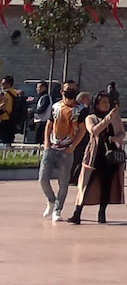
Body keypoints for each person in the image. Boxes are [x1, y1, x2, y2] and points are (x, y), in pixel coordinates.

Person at [68, 90, 126, 224]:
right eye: (103, 102)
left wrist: (115, 138)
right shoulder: (91, 117)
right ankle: (78, 212)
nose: (106, 105)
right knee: (86, 184)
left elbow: (122, 133)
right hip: (95, 156)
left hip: (111, 157)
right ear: (97, 104)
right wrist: (108, 119)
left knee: (107, 185)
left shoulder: (115, 118)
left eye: (108, 102)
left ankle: (102, 213)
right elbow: (94, 131)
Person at [39, 84, 85, 222]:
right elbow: (49, 124)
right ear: (62, 92)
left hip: (67, 148)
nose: (70, 93)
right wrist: (46, 143)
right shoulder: (55, 107)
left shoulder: (81, 109)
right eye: (67, 90)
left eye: (73, 90)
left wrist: (72, 146)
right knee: (42, 178)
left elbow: (82, 129)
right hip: (52, 146)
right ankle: (51, 200)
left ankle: (58, 209)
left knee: (63, 182)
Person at [0, 75, 23, 147]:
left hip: (4, 119)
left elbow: (2, 107)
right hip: (13, 119)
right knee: (9, 140)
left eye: (3, 83)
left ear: (9, 84)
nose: (1, 85)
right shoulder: (15, 93)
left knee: (4, 141)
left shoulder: (5, 94)